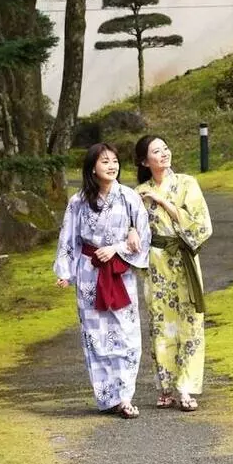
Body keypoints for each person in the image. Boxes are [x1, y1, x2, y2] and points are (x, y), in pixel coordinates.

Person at [54, 143, 151, 419]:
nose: (112, 166)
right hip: (89, 273)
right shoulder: (78, 202)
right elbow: (68, 238)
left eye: (115, 161)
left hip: (119, 273)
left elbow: (142, 236)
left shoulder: (129, 197)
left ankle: (125, 395)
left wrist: (120, 246)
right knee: (95, 336)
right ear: (92, 168)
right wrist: (65, 271)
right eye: (105, 161)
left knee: (127, 334)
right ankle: (108, 397)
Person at [134, 135, 212, 412]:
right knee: (161, 322)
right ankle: (165, 386)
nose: (164, 154)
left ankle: (187, 388)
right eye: (156, 151)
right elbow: (134, 228)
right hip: (157, 263)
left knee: (190, 322)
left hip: (185, 259)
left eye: (165, 148)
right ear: (145, 161)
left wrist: (165, 203)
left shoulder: (187, 183)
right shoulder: (139, 192)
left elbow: (201, 224)